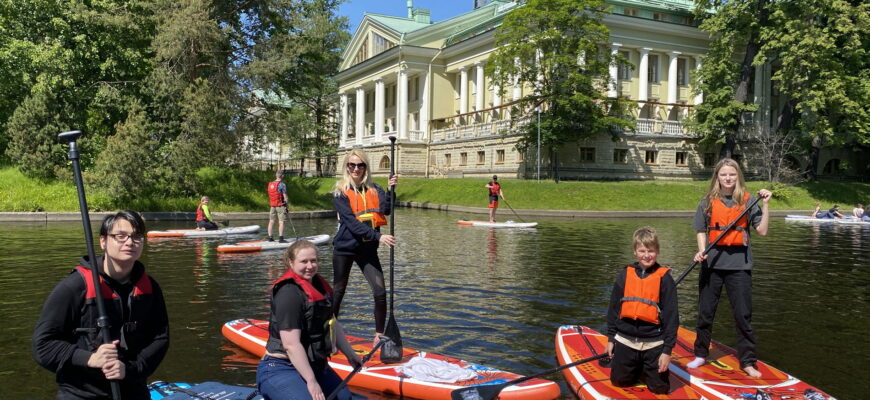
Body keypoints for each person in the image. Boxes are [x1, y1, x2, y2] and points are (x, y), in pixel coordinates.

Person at [33, 210, 170, 399]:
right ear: (103, 241)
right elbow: (42, 346)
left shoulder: (149, 287)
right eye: (120, 236)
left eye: (137, 236)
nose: (130, 242)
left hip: (132, 387)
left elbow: (160, 338)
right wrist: (90, 359)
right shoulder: (74, 287)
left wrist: (131, 369)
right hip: (82, 392)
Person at [686, 158, 771, 378]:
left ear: (738, 176)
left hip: (739, 267)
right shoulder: (707, 202)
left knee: (743, 315)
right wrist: (701, 250)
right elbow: (700, 230)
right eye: (723, 174)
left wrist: (767, 204)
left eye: (732, 174)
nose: (728, 178)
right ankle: (700, 354)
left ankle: (748, 361)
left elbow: (761, 231)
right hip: (711, 264)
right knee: (706, 313)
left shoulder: (749, 200)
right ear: (717, 177)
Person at [257, 240, 362, 400]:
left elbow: (332, 323)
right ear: (291, 263)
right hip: (280, 367)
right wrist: (311, 381)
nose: (310, 266)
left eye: (313, 260)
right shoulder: (289, 293)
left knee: (345, 397)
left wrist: (350, 354)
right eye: (304, 261)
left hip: (315, 364)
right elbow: (291, 345)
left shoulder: (319, 286)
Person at [331, 149, 397, 344]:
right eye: (352, 165)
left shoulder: (375, 189)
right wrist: (379, 236)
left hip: (367, 250)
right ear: (347, 167)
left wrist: (392, 189)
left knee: (380, 291)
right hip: (345, 248)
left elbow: (386, 210)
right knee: (338, 291)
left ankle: (378, 336)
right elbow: (351, 223)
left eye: (360, 165)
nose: (356, 169)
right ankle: (329, 332)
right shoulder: (340, 192)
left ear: (366, 167)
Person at [605, 227, 678, 394]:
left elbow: (672, 318)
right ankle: (636, 368)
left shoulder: (665, 279)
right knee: (619, 382)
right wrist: (611, 338)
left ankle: (646, 369)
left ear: (657, 251)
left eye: (651, 251)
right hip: (625, 340)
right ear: (635, 252)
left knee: (660, 389)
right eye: (642, 251)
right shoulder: (624, 275)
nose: (647, 255)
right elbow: (613, 309)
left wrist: (667, 351)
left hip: (653, 343)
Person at [268, 170, 290, 242]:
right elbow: (285, 197)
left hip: (272, 206)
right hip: (280, 205)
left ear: (276, 175)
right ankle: (281, 238)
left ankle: (270, 237)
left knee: (271, 221)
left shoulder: (271, 184)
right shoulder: (282, 184)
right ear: (282, 176)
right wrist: (287, 206)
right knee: (281, 221)